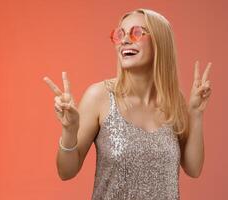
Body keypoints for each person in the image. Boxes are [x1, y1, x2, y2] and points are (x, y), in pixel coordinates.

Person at [43, 8, 212, 199]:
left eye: (137, 33)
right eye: (120, 34)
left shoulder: (175, 101)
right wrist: (69, 130)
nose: (124, 40)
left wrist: (196, 113)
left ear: (160, 42)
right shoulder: (99, 96)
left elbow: (193, 168)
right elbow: (66, 172)